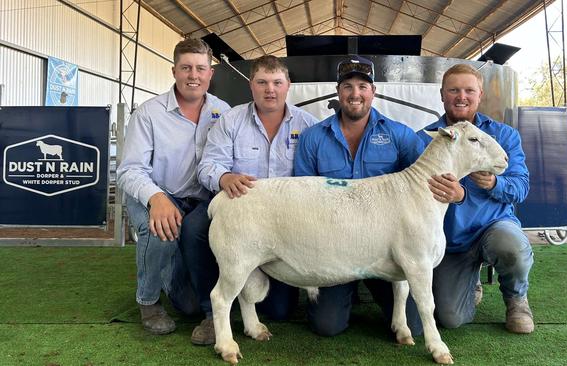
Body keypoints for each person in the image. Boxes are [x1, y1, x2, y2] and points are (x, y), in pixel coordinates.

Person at [183, 55, 319, 345]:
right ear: (251, 86)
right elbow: (208, 165)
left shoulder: (308, 124)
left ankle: (251, 298)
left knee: (279, 310)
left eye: (277, 83)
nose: (270, 89)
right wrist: (224, 178)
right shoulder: (231, 120)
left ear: (288, 86)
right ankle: (211, 312)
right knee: (194, 228)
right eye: (262, 82)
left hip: (284, 219)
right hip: (237, 204)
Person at [293, 55, 425, 337]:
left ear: (373, 92)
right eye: (348, 86)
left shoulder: (399, 135)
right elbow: (303, 196)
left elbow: (424, 182)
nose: (356, 94)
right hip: (334, 248)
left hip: (386, 251)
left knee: (413, 327)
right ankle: (342, 294)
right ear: (338, 92)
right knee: (326, 326)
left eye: (363, 86)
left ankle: (369, 292)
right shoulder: (312, 138)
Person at [116, 38, 231, 335]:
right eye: (186, 68)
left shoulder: (224, 112)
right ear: (174, 71)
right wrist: (156, 197)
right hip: (157, 191)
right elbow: (129, 170)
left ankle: (207, 305)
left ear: (210, 73)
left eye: (200, 68)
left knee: (189, 306)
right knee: (161, 232)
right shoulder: (149, 113)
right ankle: (149, 301)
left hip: (202, 199)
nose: (193, 75)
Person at [416, 63, 534, 334]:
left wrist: (494, 183)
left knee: (510, 246)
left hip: (491, 227)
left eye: (469, 90)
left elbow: (521, 186)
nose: (462, 96)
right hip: (451, 240)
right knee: (450, 319)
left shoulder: (503, 136)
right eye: (454, 90)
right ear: (442, 94)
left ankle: (517, 300)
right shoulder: (424, 139)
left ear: (480, 94)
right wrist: (455, 197)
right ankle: (472, 280)